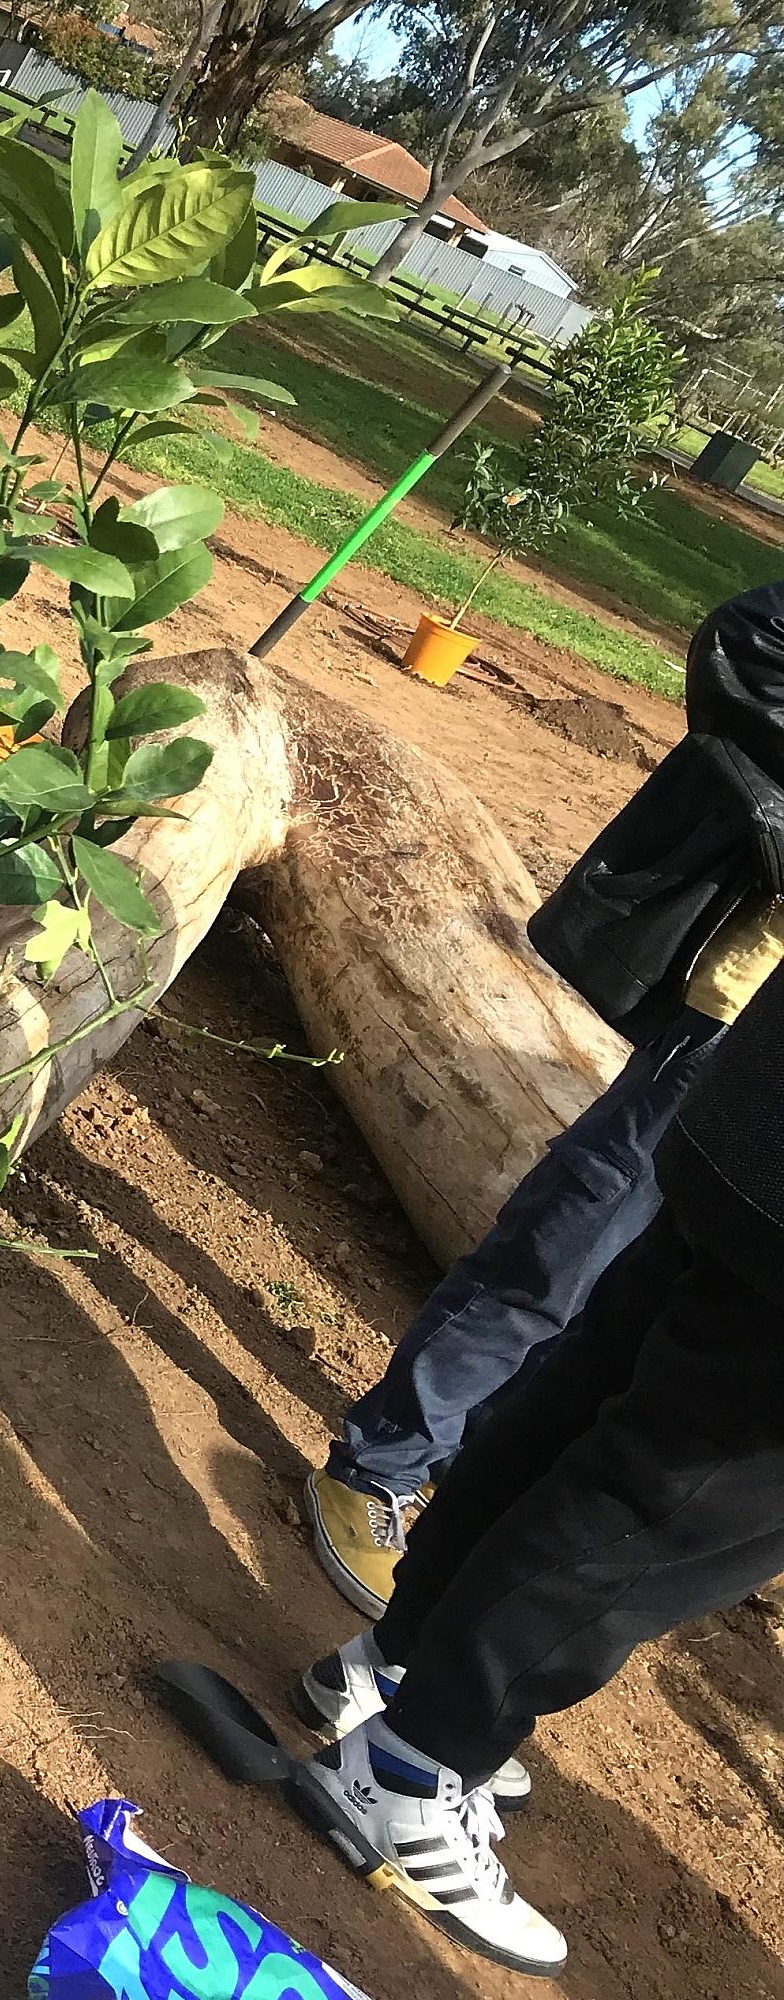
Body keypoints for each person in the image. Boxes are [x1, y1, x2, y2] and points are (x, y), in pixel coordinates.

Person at [288, 952, 784, 1975]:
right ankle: (411, 1768)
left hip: (751, 1115)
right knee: (678, 1501)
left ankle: (388, 1665)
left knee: (590, 1390)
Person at [307, 580, 784, 1622]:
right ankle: (382, 1459)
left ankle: (472, 1487)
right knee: (579, 1233)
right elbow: (749, 637)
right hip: (745, 1014)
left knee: (646, 1300)